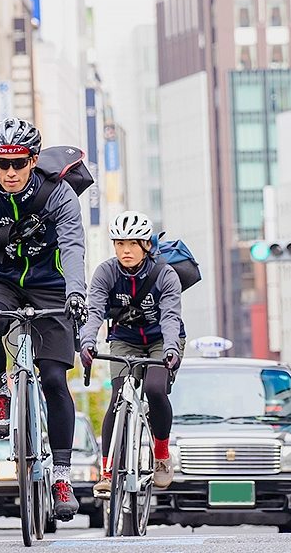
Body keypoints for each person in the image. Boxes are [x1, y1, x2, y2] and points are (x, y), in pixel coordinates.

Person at [0, 117, 88, 519]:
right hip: (5, 281)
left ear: (33, 160)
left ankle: (61, 477)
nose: (10, 172)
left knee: (53, 379)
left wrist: (76, 293)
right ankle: (1, 391)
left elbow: (74, 245)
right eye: (1, 163)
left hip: (54, 285)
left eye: (18, 163)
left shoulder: (59, 194)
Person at [80, 211, 186, 496]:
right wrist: (87, 342)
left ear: (147, 245)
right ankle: (107, 471)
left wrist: (172, 349)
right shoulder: (106, 272)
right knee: (118, 397)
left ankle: (161, 454)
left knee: (154, 389)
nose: (125, 250)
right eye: (120, 244)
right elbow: (94, 311)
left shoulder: (165, 274)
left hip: (162, 340)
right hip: (125, 339)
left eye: (132, 244)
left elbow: (171, 317)